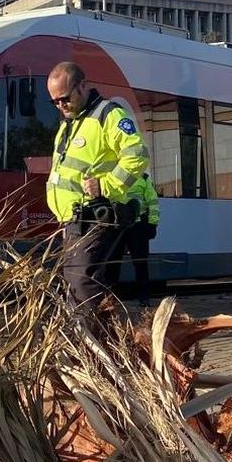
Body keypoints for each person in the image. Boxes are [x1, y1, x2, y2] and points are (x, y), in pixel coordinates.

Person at [45, 61, 150, 310]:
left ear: (82, 86)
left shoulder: (108, 114)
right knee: (75, 285)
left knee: (82, 286)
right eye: (55, 102)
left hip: (93, 217)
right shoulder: (69, 124)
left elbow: (137, 155)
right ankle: (98, 341)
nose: (61, 106)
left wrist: (105, 186)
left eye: (64, 98)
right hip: (72, 220)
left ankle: (89, 342)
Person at [108, 171, 160, 305]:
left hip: (137, 226)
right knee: (113, 263)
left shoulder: (143, 178)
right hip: (116, 225)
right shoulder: (111, 175)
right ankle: (109, 298)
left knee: (140, 262)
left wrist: (152, 224)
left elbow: (153, 202)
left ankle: (144, 297)